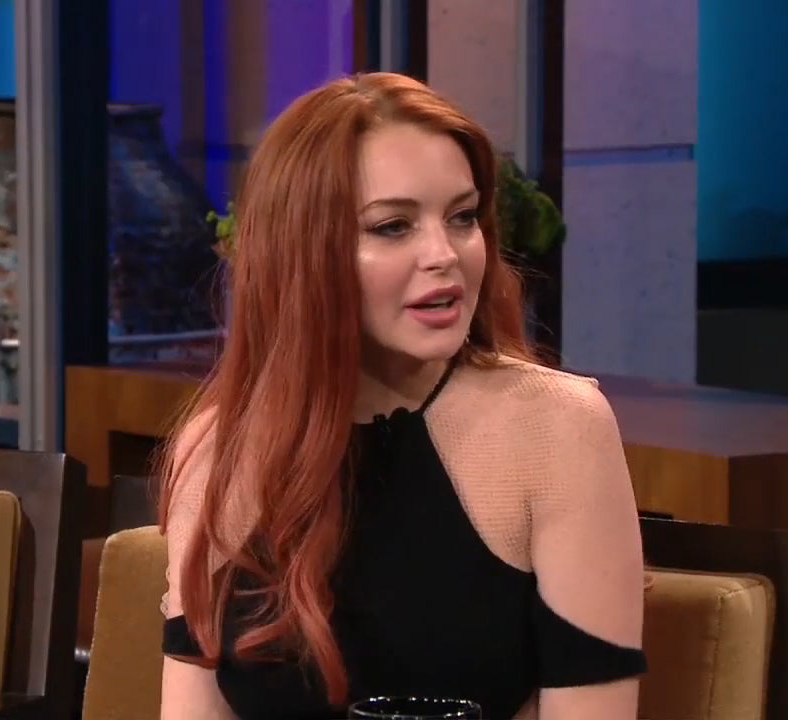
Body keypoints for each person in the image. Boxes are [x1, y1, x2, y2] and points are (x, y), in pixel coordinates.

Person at [157, 72, 647, 720]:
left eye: (463, 217)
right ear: (301, 252)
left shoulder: (557, 430)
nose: (445, 255)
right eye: (393, 226)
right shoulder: (217, 449)